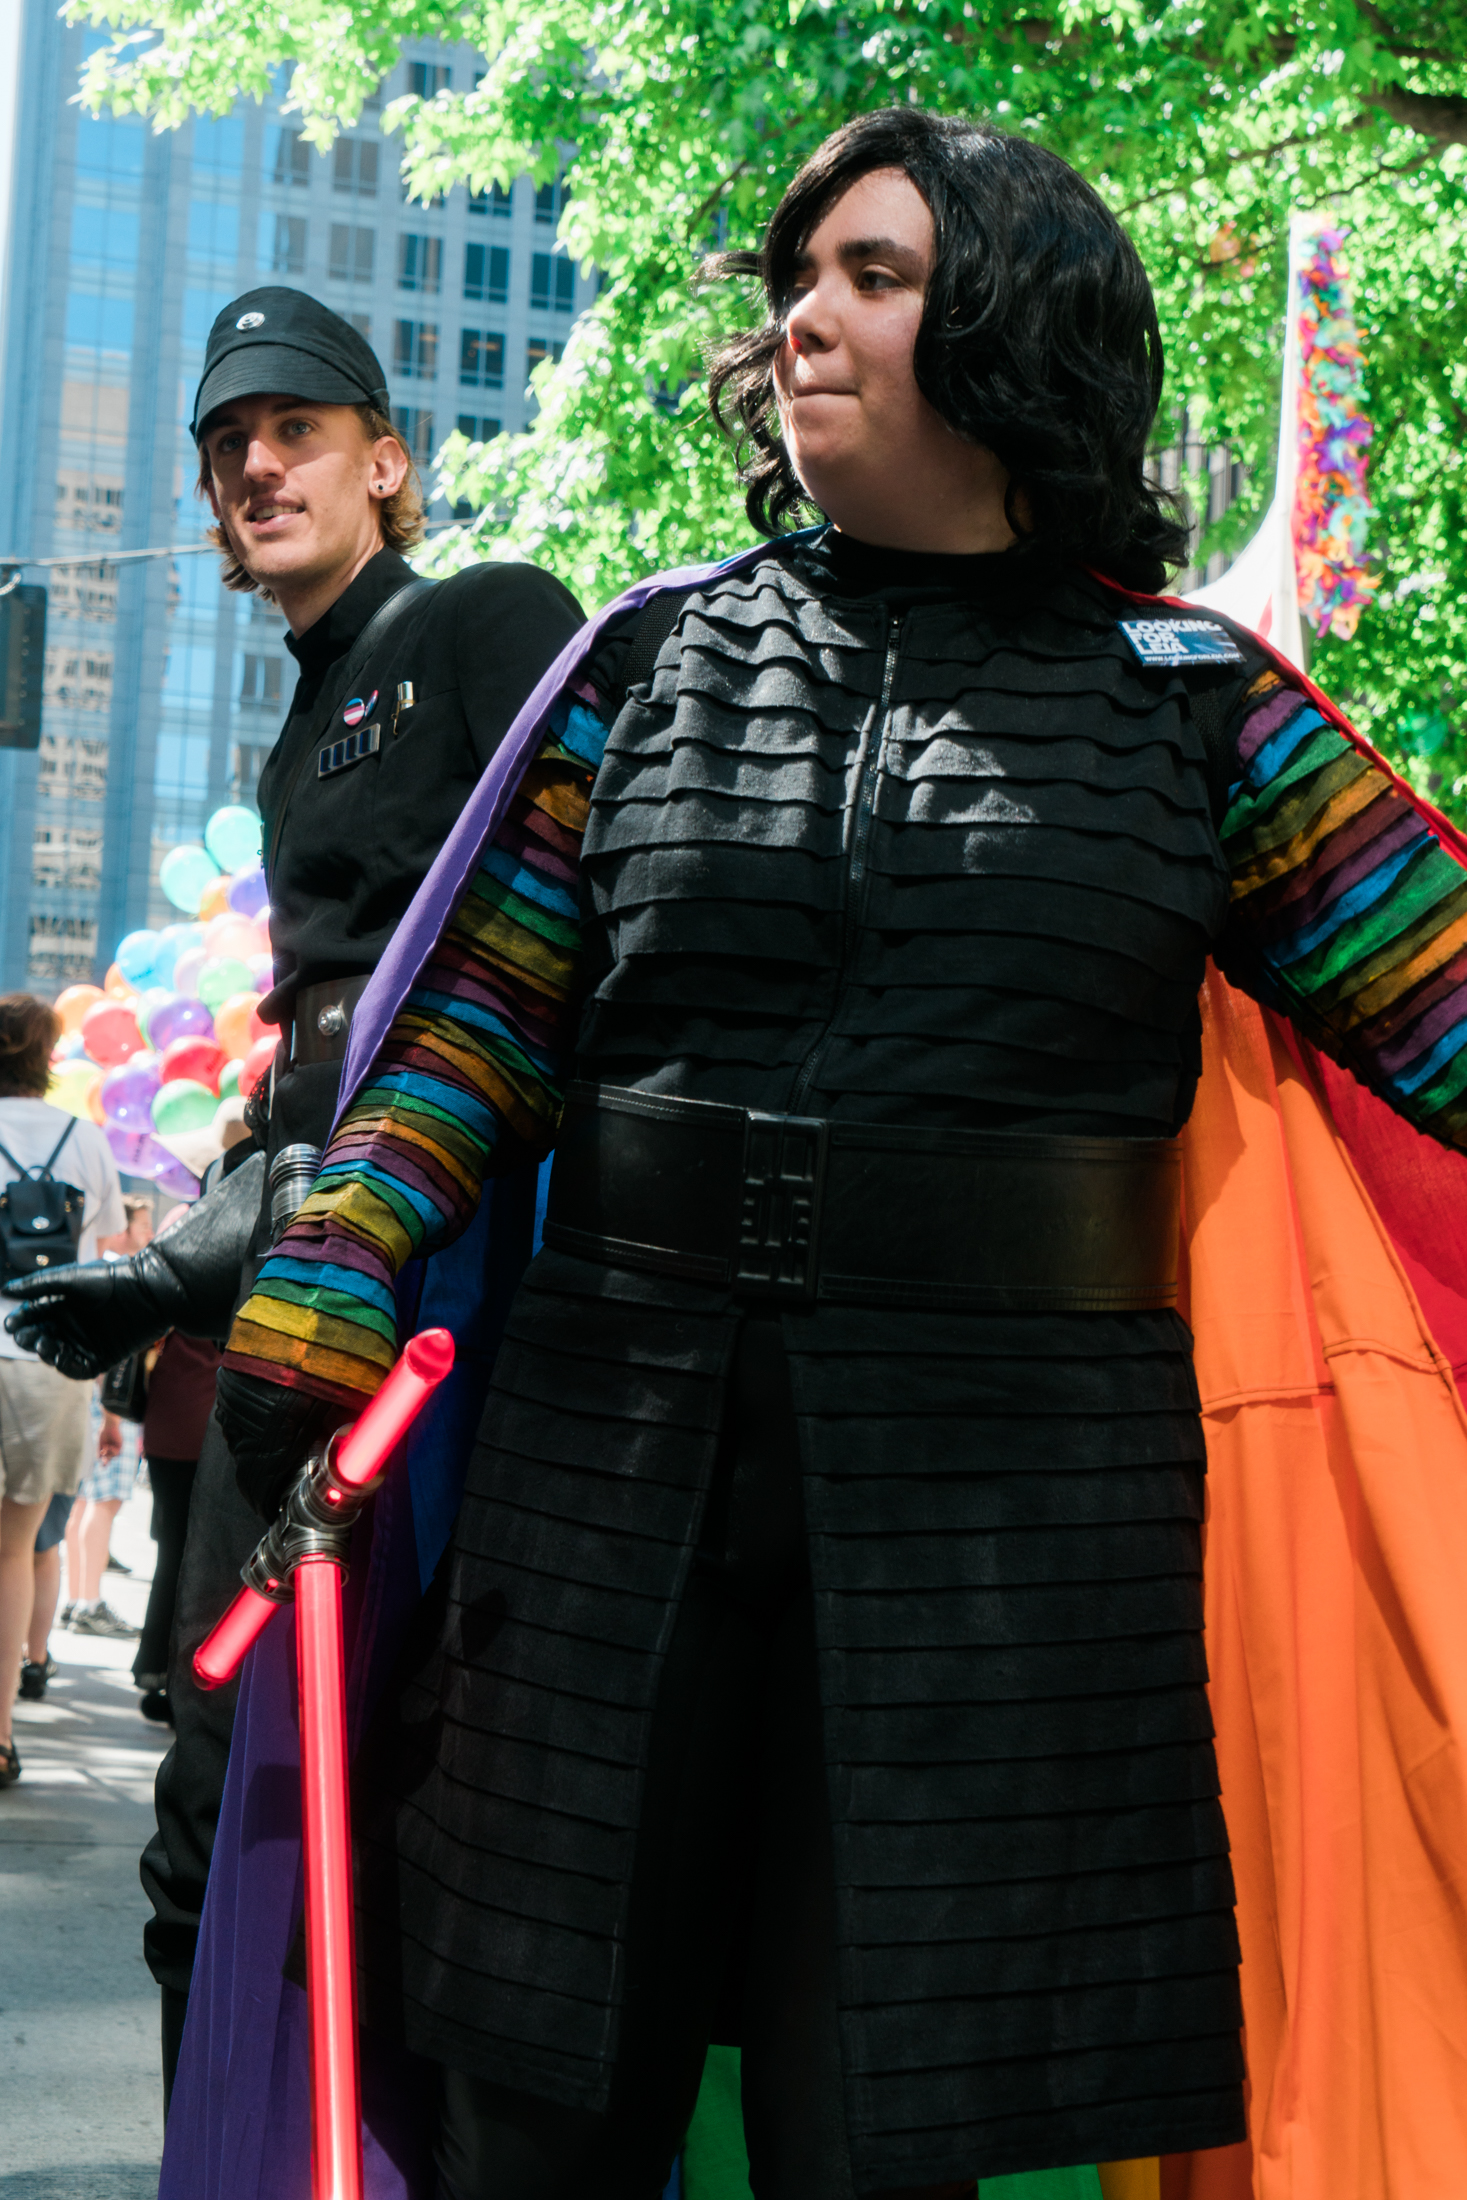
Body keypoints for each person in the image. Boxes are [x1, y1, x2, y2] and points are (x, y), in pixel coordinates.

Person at [179, 109, 1467, 2200]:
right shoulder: (646, 657)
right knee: (535, 2099)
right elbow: (479, 1024)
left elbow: (1446, 1011)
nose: (802, 315)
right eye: (798, 275)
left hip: (1008, 1532)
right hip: (602, 1486)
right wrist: (327, 1282)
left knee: (882, 2131)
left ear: (1014, 321)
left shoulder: (1196, 705)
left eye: (870, 271)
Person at [3, 288, 584, 2088]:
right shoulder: (302, 720)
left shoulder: (486, 624)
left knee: (398, 1809)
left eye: (297, 430)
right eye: (223, 446)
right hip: (301, 1280)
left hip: (453, 1297)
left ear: (386, 463)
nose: (252, 462)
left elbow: (544, 964)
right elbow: (305, 1077)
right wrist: (173, 1271)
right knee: (224, 1816)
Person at [0, 994, 123, 1788]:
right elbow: (109, 1280)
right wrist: (109, 1397)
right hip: (48, 1363)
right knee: (14, 1551)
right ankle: (0, 1733)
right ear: (48, 1056)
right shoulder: (89, 1143)